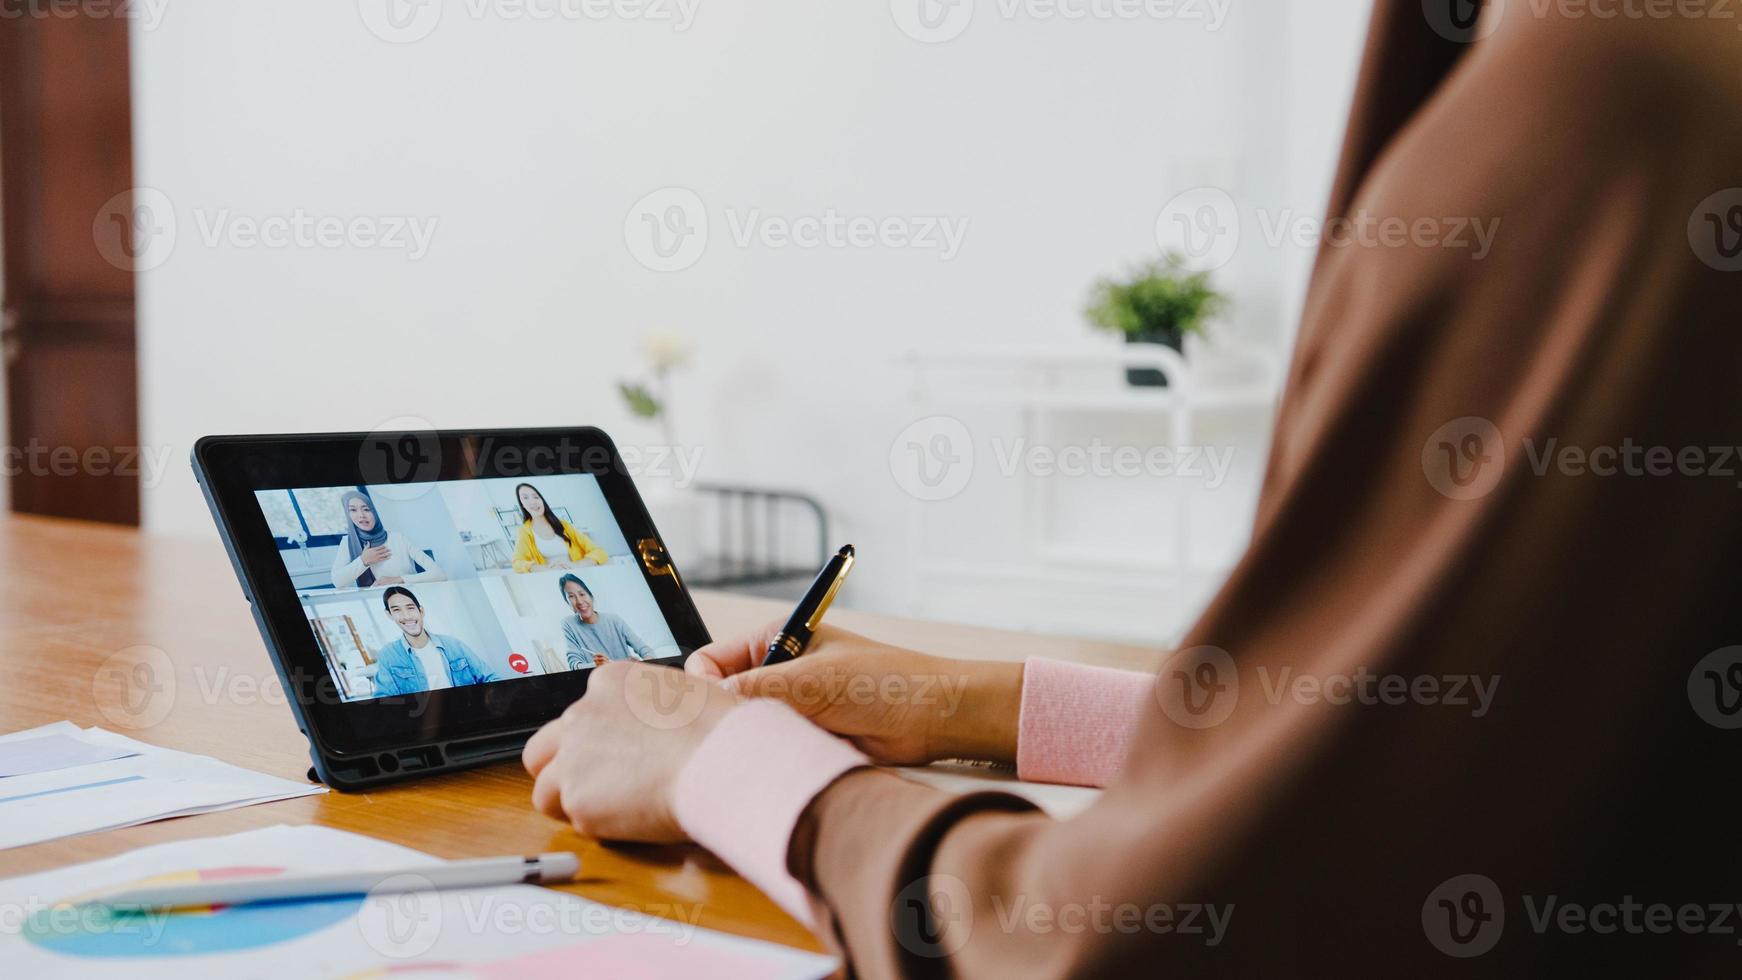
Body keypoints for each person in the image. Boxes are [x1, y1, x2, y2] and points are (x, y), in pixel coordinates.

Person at [521, 5, 1740, 975]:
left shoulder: (1604, 97)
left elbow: (1131, 939)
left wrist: (728, 769)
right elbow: (1446, 728)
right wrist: (970, 703)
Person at [370, 586, 497, 696]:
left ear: (421, 611)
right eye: (397, 610)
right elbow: (384, 701)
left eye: (410, 608)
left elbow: (491, 678)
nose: (407, 616)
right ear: (389, 615)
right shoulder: (388, 656)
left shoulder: (454, 645)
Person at [329, 489, 446, 589]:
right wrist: (363, 561)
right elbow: (337, 582)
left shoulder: (398, 538)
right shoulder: (348, 543)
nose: (361, 515)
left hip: (410, 595)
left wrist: (398, 579)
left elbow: (439, 574)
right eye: (353, 510)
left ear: (375, 512)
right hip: (376, 602)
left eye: (366, 509)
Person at [509, 483, 608, 573]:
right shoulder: (524, 531)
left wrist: (575, 565)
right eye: (526, 498)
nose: (533, 502)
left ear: (542, 500)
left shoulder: (565, 525)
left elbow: (599, 552)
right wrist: (547, 569)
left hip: (578, 573)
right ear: (523, 505)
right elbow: (517, 563)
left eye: (536, 497)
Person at [557, 574, 651, 668]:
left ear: (591, 596)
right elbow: (574, 665)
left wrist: (641, 665)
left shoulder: (614, 620)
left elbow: (646, 650)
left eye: (582, 594)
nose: (580, 601)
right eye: (571, 596)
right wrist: (597, 665)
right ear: (567, 602)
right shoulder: (568, 624)